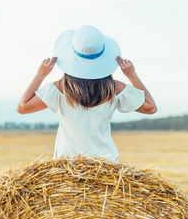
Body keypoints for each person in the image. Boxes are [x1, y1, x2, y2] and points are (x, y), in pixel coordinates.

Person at [17, 25, 156, 162]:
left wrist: (40, 74)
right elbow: (151, 107)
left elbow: (23, 107)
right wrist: (132, 75)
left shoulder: (61, 87)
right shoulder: (115, 88)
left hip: (67, 166)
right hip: (106, 165)